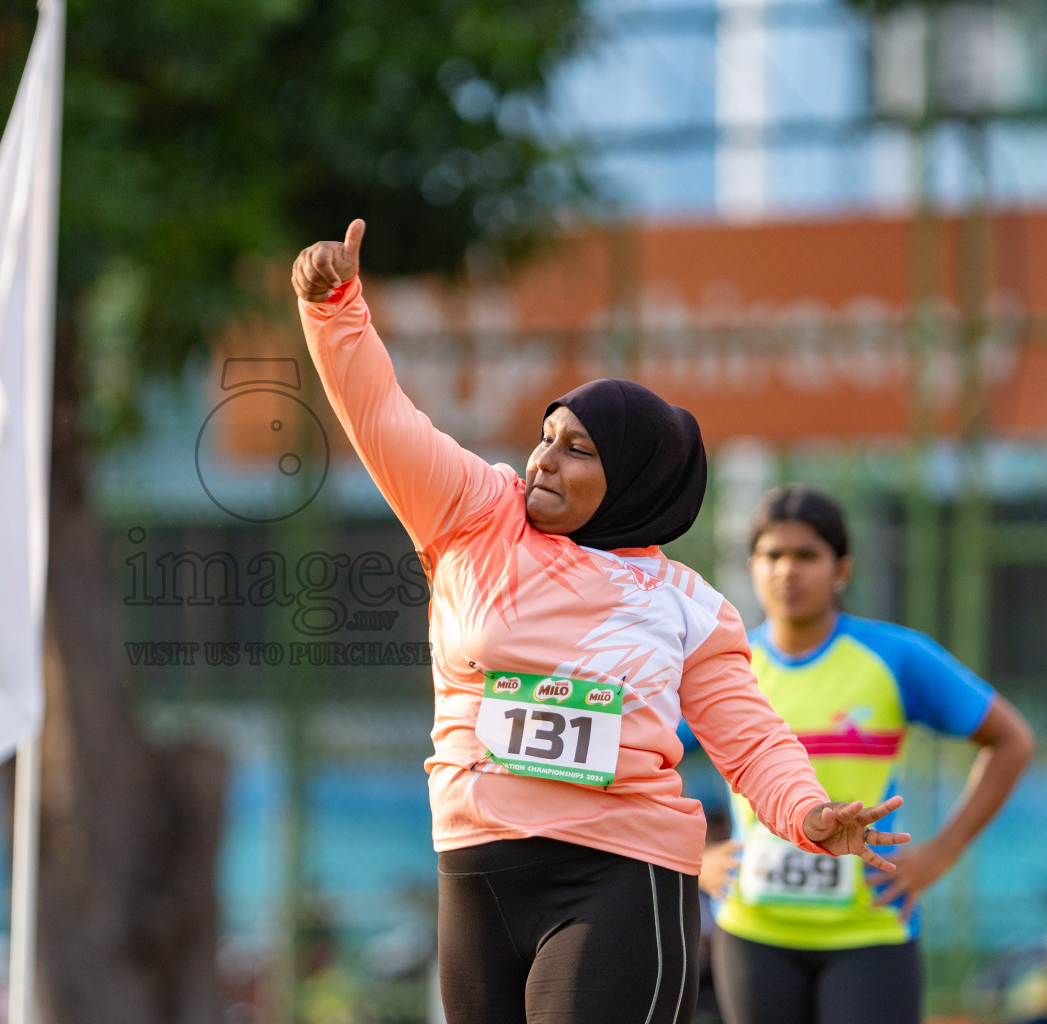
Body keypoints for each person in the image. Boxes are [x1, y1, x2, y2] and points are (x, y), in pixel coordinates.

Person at [291, 221, 908, 1024]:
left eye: (577, 448)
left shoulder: (687, 604)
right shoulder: (476, 516)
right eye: (545, 436)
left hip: (618, 874)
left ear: (636, 479)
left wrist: (809, 813)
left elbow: (750, 737)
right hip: (475, 873)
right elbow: (380, 416)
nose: (544, 459)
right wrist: (334, 308)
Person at [699, 485, 1034, 1024]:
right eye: (773, 555)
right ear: (752, 566)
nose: (788, 571)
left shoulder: (894, 657)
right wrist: (696, 857)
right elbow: (648, 753)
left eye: (806, 555)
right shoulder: (726, 668)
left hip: (871, 932)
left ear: (842, 570)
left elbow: (1012, 740)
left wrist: (942, 852)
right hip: (752, 934)